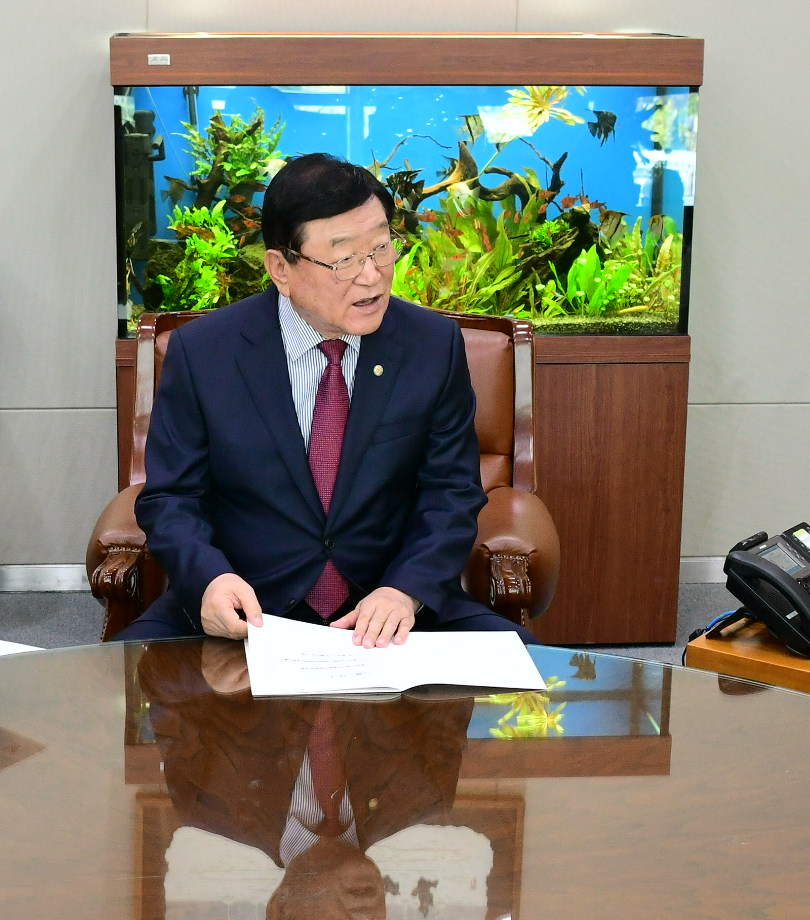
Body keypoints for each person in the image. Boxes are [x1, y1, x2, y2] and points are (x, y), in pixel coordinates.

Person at [124, 151, 533, 647]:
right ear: (281, 268)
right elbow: (172, 497)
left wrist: (405, 590)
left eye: (382, 248)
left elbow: (451, 491)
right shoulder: (205, 353)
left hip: (389, 608)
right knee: (118, 689)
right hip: (247, 608)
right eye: (344, 258)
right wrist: (209, 580)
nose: (372, 275)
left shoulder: (431, 345)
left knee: (526, 677)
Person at [144, 639, 472, 920]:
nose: (364, 919)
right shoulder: (425, 793)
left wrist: (207, 673)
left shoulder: (207, 800)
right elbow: (455, 670)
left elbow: (157, 674)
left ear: (279, 908)